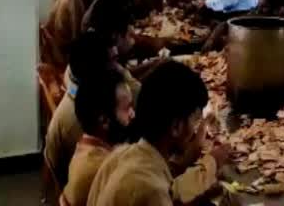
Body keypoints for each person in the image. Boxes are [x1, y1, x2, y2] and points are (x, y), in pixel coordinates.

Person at [86, 61, 230, 206]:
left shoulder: (120, 155)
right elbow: (159, 191)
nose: (195, 129)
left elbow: (169, 188)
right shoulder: (150, 189)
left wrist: (207, 170)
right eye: (195, 120)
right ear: (176, 127)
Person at [45, 32, 117, 187]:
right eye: (113, 62)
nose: (117, 68)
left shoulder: (77, 88)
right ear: (97, 70)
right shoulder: (80, 119)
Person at [61, 69, 135, 206]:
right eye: (127, 108)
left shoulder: (86, 147)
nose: (133, 114)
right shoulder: (102, 168)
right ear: (104, 121)